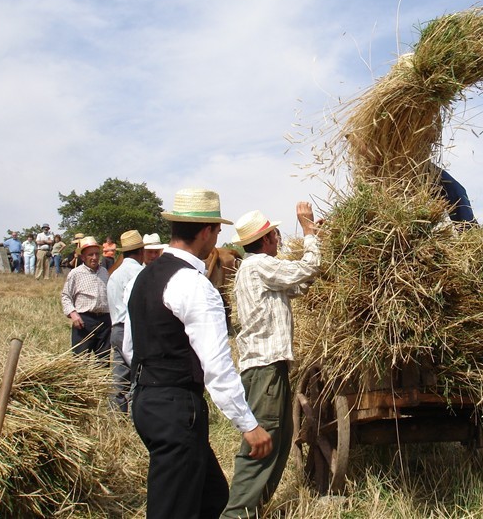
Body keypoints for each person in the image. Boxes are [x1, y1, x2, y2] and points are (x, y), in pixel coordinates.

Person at [123, 188, 272, 519]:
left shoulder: (144, 277)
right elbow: (217, 367)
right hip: (177, 408)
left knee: (212, 499)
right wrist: (248, 424)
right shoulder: (194, 285)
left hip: (146, 401)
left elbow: (128, 346)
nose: (218, 237)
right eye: (217, 230)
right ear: (206, 232)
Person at [221, 202, 321, 519]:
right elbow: (307, 268)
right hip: (264, 370)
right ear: (265, 240)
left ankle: (253, 510)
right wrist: (309, 232)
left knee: (276, 444)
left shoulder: (260, 269)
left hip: (268, 368)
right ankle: (236, 514)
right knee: (262, 445)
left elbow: (300, 282)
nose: (279, 239)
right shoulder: (258, 265)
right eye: (275, 234)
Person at [106, 230, 145, 413]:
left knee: (119, 376)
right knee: (140, 374)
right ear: (141, 251)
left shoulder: (114, 274)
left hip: (115, 328)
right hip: (132, 329)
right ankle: (137, 415)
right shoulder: (139, 272)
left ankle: (116, 414)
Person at [60, 236, 111, 363]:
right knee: (80, 361)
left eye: (96, 254)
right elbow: (66, 296)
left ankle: (100, 382)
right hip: (84, 321)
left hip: (104, 321)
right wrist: (73, 313)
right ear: (83, 257)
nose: (94, 257)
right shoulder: (76, 273)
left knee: (103, 361)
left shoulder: (104, 272)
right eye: (90, 255)